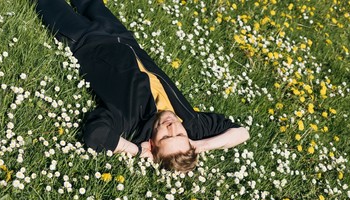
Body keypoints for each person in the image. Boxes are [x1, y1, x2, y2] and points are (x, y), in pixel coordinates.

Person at [32, 0, 250, 172]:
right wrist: (200, 146)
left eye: (165, 137)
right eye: (180, 136)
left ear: (152, 144)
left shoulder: (130, 121)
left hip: (84, 40)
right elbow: (242, 133)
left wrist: (135, 150)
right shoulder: (192, 123)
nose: (172, 127)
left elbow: (96, 135)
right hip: (122, 37)